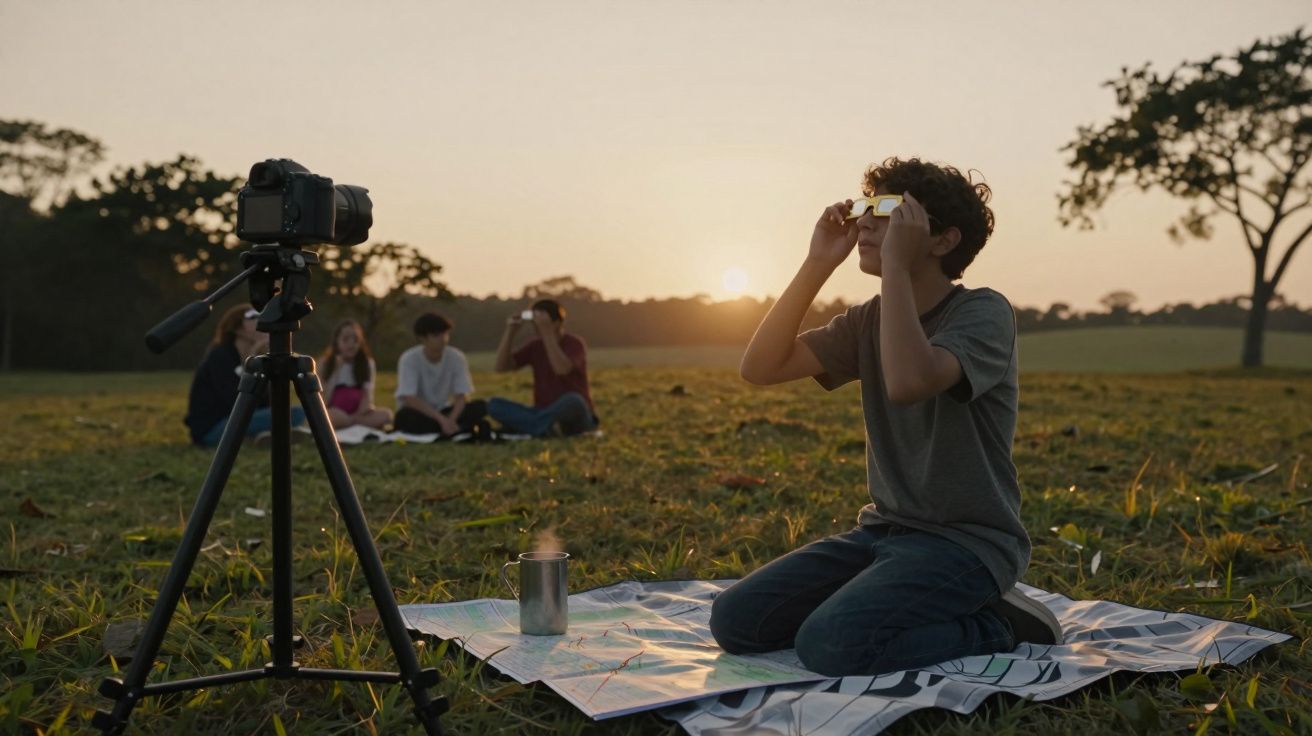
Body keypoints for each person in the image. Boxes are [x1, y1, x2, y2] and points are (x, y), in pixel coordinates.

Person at [708, 157, 1062, 678]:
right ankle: (885, 602)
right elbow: (760, 368)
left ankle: (997, 625)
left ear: (942, 239)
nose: (866, 223)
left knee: (831, 645)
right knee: (736, 621)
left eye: (887, 210)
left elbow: (908, 382)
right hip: (884, 532)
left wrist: (894, 269)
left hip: (968, 545)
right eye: (863, 207)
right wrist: (817, 263)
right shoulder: (867, 320)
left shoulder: (984, 312)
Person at [184, 303, 306, 446]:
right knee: (295, 413)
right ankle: (267, 437)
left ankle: (257, 438)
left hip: (239, 422)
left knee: (290, 411)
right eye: (253, 317)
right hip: (213, 429)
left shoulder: (261, 359)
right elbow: (237, 401)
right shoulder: (220, 356)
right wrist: (253, 360)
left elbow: (266, 404)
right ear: (237, 328)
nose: (262, 320)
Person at [490, 299, 598, 437]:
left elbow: (561, 369)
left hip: (575, 413)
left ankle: (530, 427)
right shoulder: (535, 346)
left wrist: (547, 332)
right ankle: (544, 427)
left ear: (557, 323)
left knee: (574, 400)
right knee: (494, 405)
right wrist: (510, 332)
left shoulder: (575, 343)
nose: (536, 326)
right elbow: (501, 367)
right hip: (542, 411)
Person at [394, 312, 488, 437]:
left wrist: (451, 419)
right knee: (403, 417)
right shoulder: (409, 359)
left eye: (445, 334)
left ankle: (447, 428)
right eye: (436, 335)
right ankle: (456, 428)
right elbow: (410, 398)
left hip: (445, 411)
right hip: (420, 412)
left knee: (481, 406)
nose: (443, 339)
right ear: (422, 338)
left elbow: (462, 396)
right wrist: (442, 420)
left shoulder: (456, 357)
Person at [317, 319, 392, 430]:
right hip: (335, 411)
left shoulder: (367, 363)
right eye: (346, 339)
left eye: (355, 340)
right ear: (337, 341)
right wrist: (337, 369)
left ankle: (350, 423)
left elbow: (367, 397)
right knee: (328, 416)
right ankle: (350, 424)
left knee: (386, 414)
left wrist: (357, 416)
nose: (351, 344)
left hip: (359, 414)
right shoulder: (325, 363)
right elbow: (323, 400)